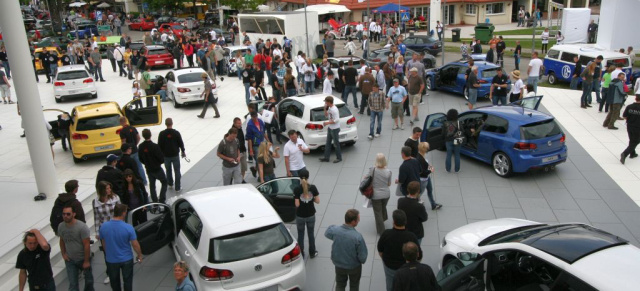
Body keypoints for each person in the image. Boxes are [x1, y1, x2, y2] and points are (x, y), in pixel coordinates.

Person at [99, 204, 143, 291]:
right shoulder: (128, 227)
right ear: (123, 213)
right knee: (128, 281)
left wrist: (108, 253)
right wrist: (139, 255)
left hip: (111, 260)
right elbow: (135, 244)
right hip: (126, 259)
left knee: (114, 282)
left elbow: (104, 243)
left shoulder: (104, 226)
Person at [377, 209, 422, 291]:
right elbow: (419, 256)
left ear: (394, 222)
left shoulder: (386, 234)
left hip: (389, 267)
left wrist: (386, 260)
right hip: (406, 269)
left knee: (390, 285)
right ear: (405, 222)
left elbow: (380, 251)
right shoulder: (411, 236)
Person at [325, 209, 368, 291]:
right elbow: (363, 257)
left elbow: (327, 232)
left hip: (339, 264)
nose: (358, 221)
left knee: (340, 285)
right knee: (354, 286)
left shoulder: (336, 231)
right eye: (357, 220)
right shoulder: (357, 237)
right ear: (353, 222)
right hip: (354, 267)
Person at [58, 205, 93, 291]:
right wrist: (63, 254)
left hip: (82, 258)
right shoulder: (61, 226)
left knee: (89, 281)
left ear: (74, 214)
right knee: (73, 284)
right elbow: (61, 240)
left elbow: (86, 245)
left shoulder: (82, 227)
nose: (65, 216)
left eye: (68, 214)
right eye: (64, 214)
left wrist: (86, 261)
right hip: (70, 260)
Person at [93, 181, 121, 285]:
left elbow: (120, 212)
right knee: (107, 252)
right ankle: (110, 273)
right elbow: (96, 217)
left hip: (116, 227)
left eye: (110, 188)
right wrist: (97, 231)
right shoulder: (95, 202)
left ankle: (121, 265)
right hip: (104, 230)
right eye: (107, 188)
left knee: (119, 247)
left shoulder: (115, 198)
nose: (109, 190)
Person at [293, 169, 320, 259]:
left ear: (299, 178)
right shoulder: (313, 188)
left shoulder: (297, 189)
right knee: (311, 234)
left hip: (300, 216)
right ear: (308, 177)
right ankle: (312, 252)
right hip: (311, 215)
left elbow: (297, 204)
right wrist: (310, 199)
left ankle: (301, 253)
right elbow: (318, 201)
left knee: (300, 234)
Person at [138, 128, 168, 203]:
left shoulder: (141, 146)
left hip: (149, 169)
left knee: (152, 185)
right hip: (157, 168)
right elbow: (161, 158)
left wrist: (146, 163)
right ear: (150, 135)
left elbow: (140, 158)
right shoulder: (155, 146)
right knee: (164, 182)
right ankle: (162, 198)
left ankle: (154, 200)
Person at [367, 153, 392, 234]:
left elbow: (367, 178)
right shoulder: (388, 172)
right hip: (386, 194)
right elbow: (389, 184)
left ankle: (381, 231)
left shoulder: (372, 170)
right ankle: (383, 218)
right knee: (383, 206)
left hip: (376, 195)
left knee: (377, 212)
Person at [158, 118, 186, 192]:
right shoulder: (176, 133)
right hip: (175, 155)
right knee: (177, 171)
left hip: (166, 156)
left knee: (168, 170)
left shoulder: (162, 134)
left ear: (165, 124)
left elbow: (159, 145)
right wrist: (183, 151)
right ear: (172, 123)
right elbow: (181, 143)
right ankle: (178, 187)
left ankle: (170, 183)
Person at [119, 117, 146, 185]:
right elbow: (138, 137)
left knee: (131, 167)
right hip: (135, 150)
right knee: (140, 166)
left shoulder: (122, 131)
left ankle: (134, 181)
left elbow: (124, 142)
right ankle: (144, 181)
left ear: (121, 122)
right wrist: (135, 144)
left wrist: (124, 150)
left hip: (128, 152)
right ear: (126, 121)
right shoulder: (133, 128)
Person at [417, 142, 441, 210]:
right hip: (423, 179)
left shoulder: (420, 155)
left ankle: (433, 204)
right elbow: (423, 172)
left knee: (430, 190)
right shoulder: (420, 159)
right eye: (427, 147)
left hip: (426, 178)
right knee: (420, 192)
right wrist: (431, 170)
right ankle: (414, 203)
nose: (428, 148)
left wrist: (428, 165)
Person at [319, 96, 342, 163]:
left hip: (335, 129)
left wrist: (327, 123)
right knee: (328, 143)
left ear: (329, 102)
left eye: (326, 102)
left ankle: (339, 157)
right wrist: (325, 109)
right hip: (330, 128)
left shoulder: (334, 109)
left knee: (336, 144)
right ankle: (326, 157)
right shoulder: (329, 108)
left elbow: (336, 120)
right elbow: (326, 115)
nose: (325, 103)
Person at [621, 94, 640, 164]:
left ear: (635, 98)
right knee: (636, 141)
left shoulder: (629, 106)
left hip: (629, 126)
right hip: (638, 127)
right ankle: (625, 153)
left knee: (632, 139)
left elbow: (624, 116)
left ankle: (633, 153)